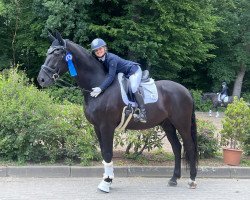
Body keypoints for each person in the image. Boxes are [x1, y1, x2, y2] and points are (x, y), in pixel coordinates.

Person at [90, 38, 147, 123]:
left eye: (100, 48)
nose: (99, 51)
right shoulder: (100, 59)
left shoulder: (111, 59)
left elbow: (111, 76)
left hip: (133, 70)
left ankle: (143, 113)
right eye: (96, 50)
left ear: (105, 48)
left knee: (134, 87)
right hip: (125, 73)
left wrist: (101, 88)